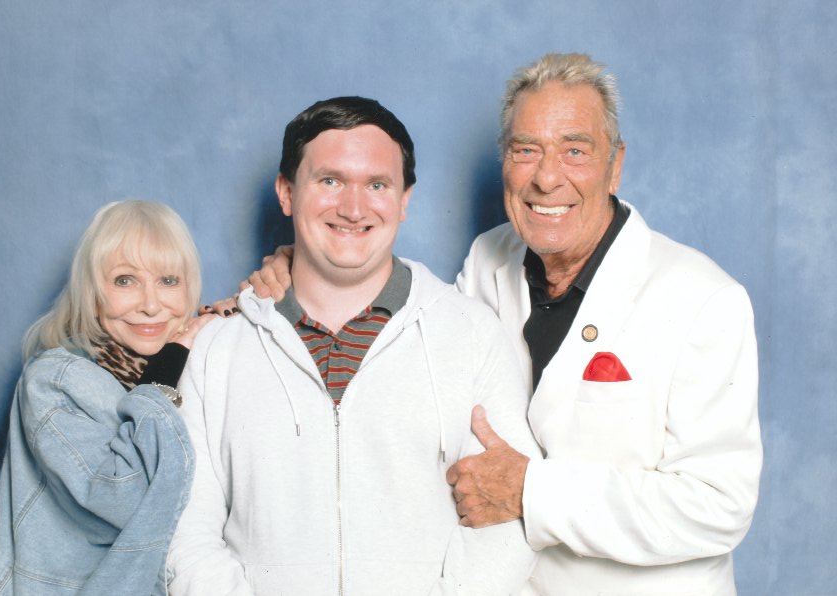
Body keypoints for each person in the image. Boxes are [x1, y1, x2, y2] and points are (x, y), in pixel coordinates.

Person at [242, 54, 763, 595]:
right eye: (525, 150)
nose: (547, 177)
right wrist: (301, 267)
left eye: (575, 151)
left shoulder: (704, 299)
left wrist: (531, 492)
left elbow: (719, 506)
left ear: (615, 165)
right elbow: (418, 344)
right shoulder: (488, 260)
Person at [166, 96, 538, 595]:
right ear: (286, 192)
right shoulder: (218, 349)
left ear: (404, 200)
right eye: (330, 181)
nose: (354, 208)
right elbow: (185, 530)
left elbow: (507, 521)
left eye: (377, 185)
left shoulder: (471, 334)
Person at [0, 200, 215, 596]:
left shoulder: (196, 371)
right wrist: (164, 376)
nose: (151, 305)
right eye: (125, 281)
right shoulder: (54, 381)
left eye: (168, 280)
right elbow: (127, 499)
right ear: (92, 293)